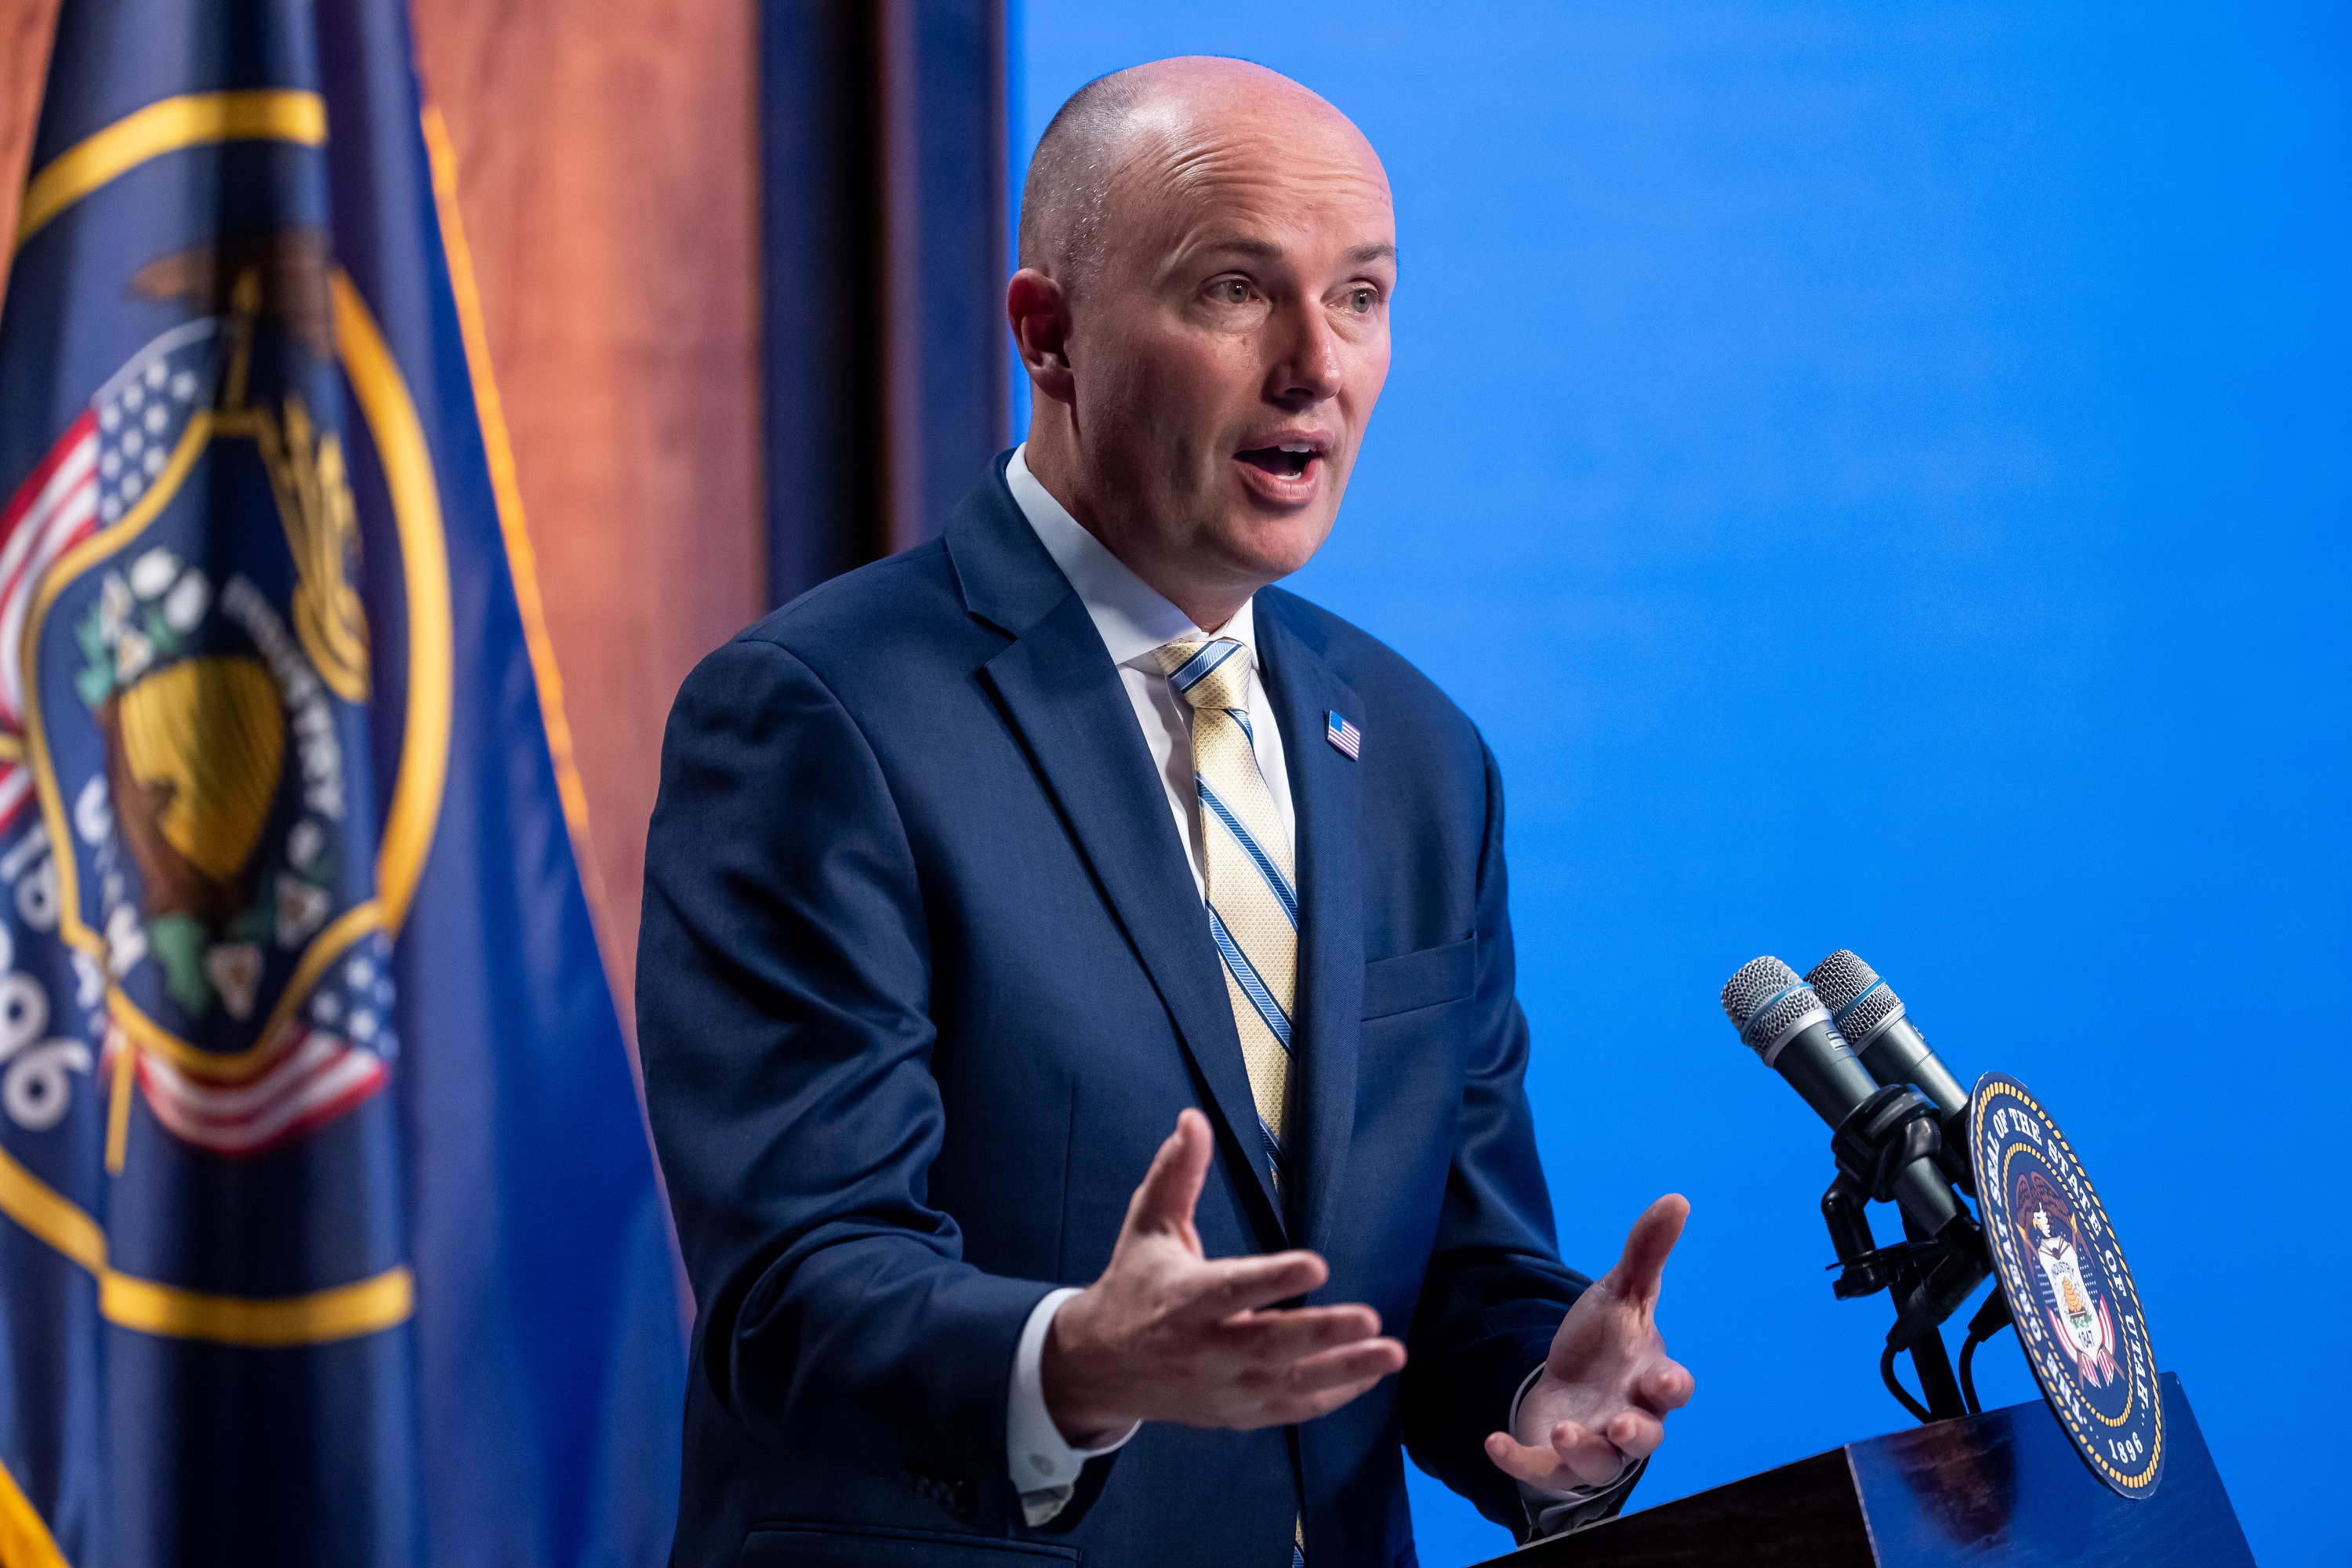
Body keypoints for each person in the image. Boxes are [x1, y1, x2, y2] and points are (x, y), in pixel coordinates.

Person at [637, 56, 1693, 1568]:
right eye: (1232, 291)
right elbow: (794, 1287)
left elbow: (1454, 1270)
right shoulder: (821, 716)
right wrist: (1075, 1359)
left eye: (1363, 297)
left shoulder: (1416, 757)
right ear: (1048, 335)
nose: (1316, 366)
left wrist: (1544, 1392)